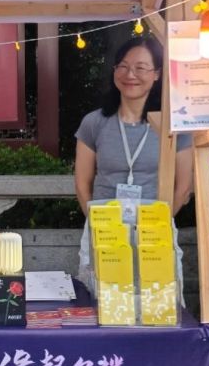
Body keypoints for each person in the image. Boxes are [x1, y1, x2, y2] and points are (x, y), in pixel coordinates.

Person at [74, 35, 193, 276]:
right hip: (105, 233)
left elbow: (183, 187)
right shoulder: (94, 122)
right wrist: (99, 224)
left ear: (157, 73)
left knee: (154, 294)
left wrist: (154, 225)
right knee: (104, 294)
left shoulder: (174, 124)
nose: (130, 75)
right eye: (123, 66)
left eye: (140, 68)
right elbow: (82, 183)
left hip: (154, 232)